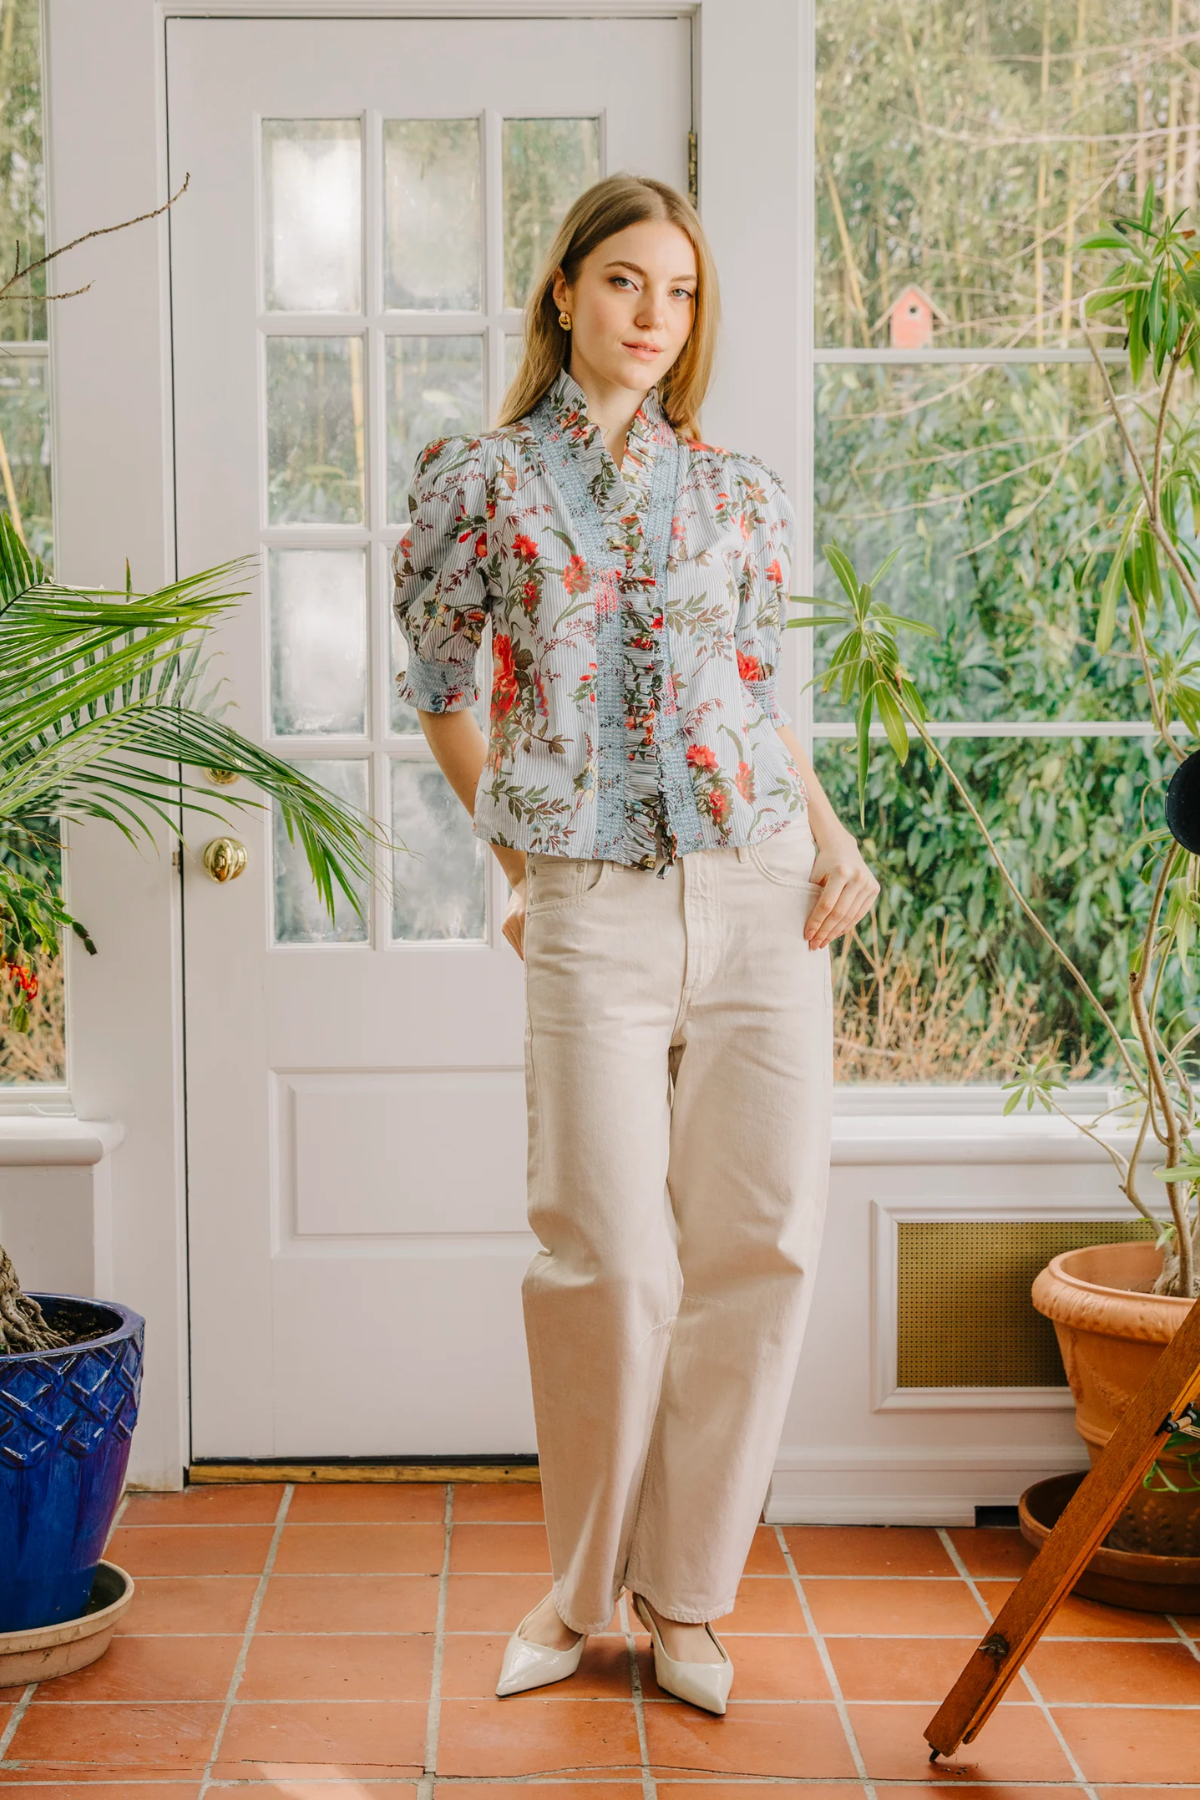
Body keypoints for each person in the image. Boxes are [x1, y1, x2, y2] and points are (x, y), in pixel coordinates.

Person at [393, 173, 878, 1715]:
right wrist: (518, 849)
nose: (653, 316)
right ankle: (579, 1586)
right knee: (603, 1252)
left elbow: (752, 691)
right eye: (623, 282)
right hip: (592, 899)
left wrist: (834, 830)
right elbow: (444, 683)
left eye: (675, 292)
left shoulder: (740, 491)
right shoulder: (479, 478)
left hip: (762, 884)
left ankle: (689, 1598)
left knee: (762, 1243)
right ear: (563, 293)